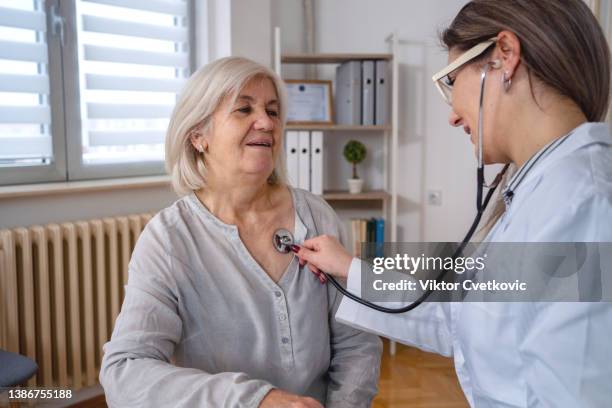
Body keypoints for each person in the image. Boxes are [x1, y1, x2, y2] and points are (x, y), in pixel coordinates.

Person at [294, 0, 612, 406]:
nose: (453, 117)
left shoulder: (584, 204)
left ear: (504, 57)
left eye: (449, 80)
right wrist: (348, 268)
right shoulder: (547, 193)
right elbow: (457, 317)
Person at [99, 56, 382, 408]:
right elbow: (125, 372)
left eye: (273, 111)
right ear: (198, 135)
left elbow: (357, 342)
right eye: (244, 110)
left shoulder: (317, 215)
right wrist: (255, 401)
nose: (266, 122)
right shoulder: (168, 240)